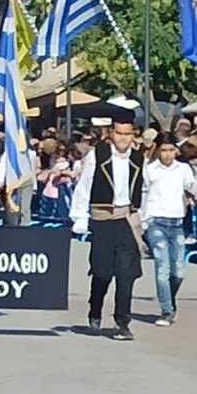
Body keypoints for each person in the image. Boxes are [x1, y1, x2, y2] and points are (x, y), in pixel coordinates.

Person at [72, 117, 146, 340]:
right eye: (119, 133)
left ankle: (122, 322)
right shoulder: (99, 155)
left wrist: (145, 216)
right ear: (111, 134)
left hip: (127, 218)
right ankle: (95, 309)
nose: (123, 138)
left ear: (133, 135)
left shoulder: (139, 157)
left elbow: (145, 187)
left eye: (127, 134)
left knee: (126, 274)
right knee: (102, 272)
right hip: (103, 218)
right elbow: (84, 185)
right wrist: (79, 217)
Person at [139, 135, 197, 326]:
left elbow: (191, 185)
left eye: (170, 150)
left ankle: (170, 300)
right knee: (162, 267)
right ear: (158, 150)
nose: (167, 154)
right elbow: (143, 195)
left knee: (178, 271)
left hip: (176, 222)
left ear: (176, 151)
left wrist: (194, 188)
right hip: (156, 221)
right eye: (163, 150)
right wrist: (144, 221)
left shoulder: (183, 169)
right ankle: (166, 310)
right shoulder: (150, 170)